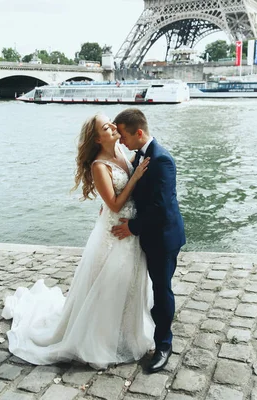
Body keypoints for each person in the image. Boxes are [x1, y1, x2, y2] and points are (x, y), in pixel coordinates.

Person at [2, 113, 154, 369]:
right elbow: (115, 204)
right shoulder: (98, 165)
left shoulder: (120, 150)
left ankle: (127, 333)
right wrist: (136, 177)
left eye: (112, 124)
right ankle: (100, 338)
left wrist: (136, 178)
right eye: (106, 127)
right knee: (107, 285)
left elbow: (122, 190)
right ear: (97, 138)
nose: (113, 127)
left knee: (128, 281)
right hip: (114, 233)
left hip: (129, 230)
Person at [112, 108, 186, 373]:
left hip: (163, 237)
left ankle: (164, 345)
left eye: (123, 135)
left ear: (139, 133)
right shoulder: (139, 156)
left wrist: (132, 227)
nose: (120, 141)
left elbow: (161, 207)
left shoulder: (162, 160)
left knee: (161, 289)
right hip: (147, 234)